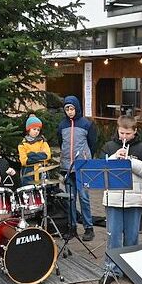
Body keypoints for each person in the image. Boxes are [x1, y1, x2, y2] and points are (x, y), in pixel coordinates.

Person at [100, 117, 142, 280]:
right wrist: (115, 156)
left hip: (134, 199)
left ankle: (131, 270)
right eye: (121, 132)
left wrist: (130, 162)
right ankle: (112, 270)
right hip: (113, 198)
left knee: (132, 236)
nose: (124, 136)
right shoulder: (109, 146)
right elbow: (101, 168)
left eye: (128, 133)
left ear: (135, 131)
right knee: (113, 235)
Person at [57, 95, 97, 241]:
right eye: (67, 109)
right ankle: (72, 227)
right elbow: (61, 142)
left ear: (77, 108)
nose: (70, 111)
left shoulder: (87, 124)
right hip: (67, 167)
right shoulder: (62, 125)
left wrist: (86, 158)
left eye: (72, 108)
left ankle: (88, 228)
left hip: (82, 167)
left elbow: (93, 144)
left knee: (84, 198)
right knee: (70, 199)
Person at [17, 115, 51, 185]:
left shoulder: (43, 141)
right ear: (29, 130)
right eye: (34, 129)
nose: (36, 132)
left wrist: (31, 155)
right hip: (28, 173)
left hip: (41, 171)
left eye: (38, 130)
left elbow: (47, 156)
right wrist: (39, 156)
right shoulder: (22, 144)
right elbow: (24, 161)